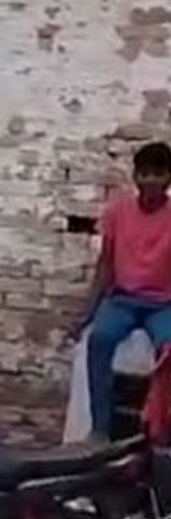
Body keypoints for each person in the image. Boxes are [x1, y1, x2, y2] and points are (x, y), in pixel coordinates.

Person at [77, 142, 171, 440]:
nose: (150, 181)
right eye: (144, 173)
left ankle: (159, 427)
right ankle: (100, 427)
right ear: (135, 176)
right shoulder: (117, 212)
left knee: (169, 351)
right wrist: (87, 313)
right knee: (99, 340)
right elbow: (105, 265)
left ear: (168, 179)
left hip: (163, 304)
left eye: (157, 174)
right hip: (122, 299)